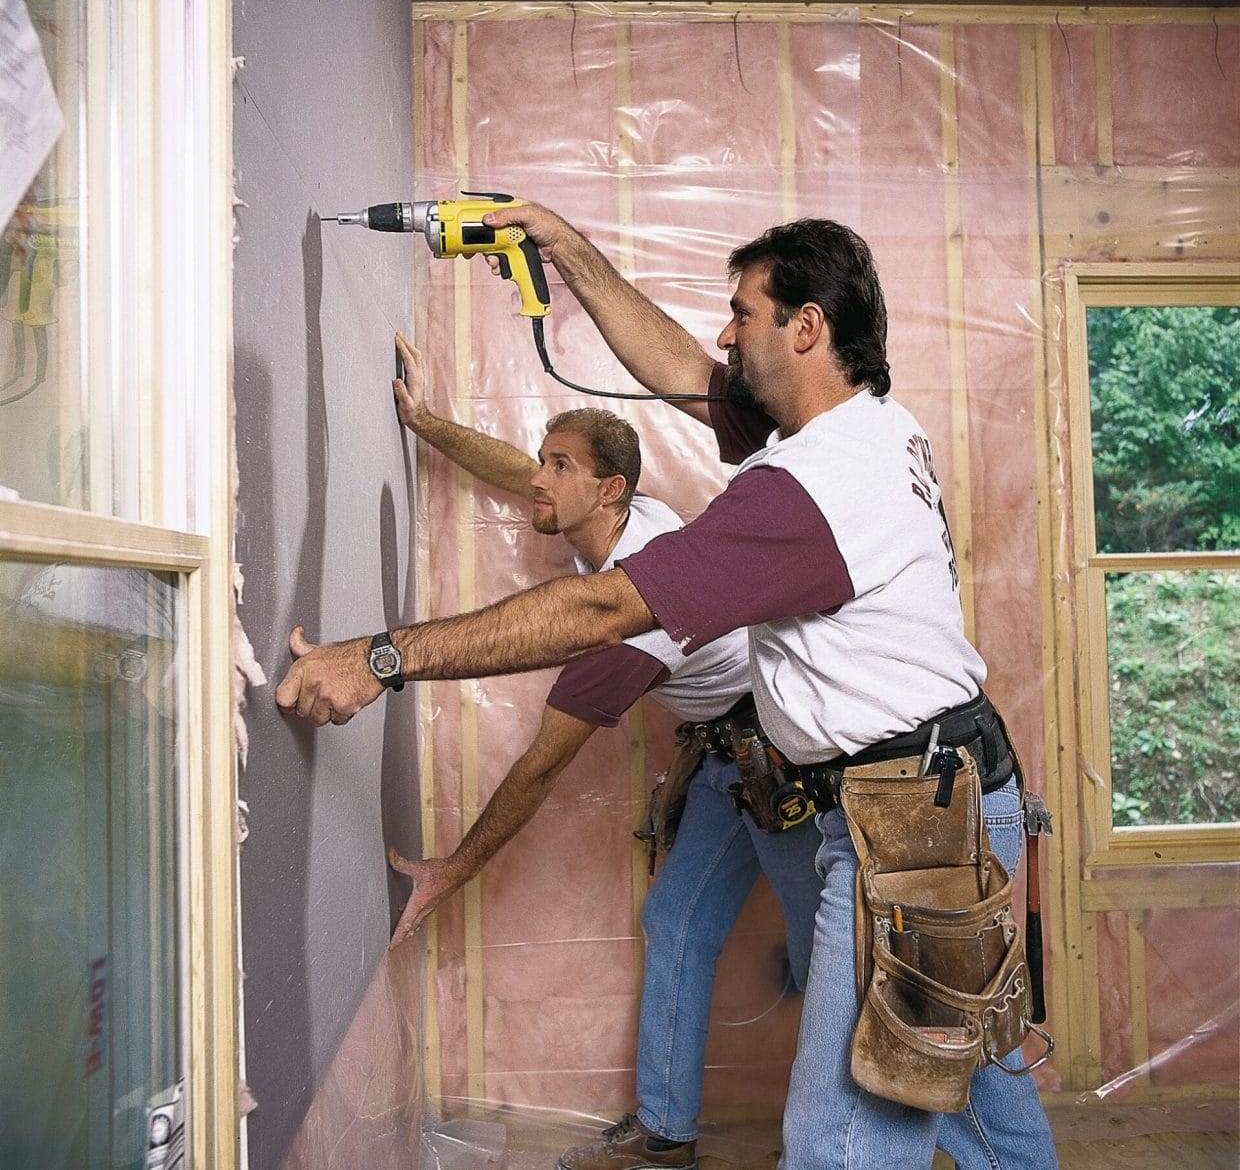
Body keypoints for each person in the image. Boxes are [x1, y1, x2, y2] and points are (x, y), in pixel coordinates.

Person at [276, 207, 1058, 1168]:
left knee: (840, 1145)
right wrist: (563, 247)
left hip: (910, 831)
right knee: (979, 1094)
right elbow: (682, 370)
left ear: (806, 327)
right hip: (932, 799)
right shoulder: (860, 424)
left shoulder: (813, 486)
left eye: (744, 314)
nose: (725, 336)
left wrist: (379, 658)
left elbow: (604, 611)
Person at [386, 331, 824, 1169]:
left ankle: (892, 1134)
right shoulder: (619, 516)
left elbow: (539, 769)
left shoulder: (633, 620)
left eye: (559, 467)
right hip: (729, 759)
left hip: (783, 763)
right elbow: (511, 468)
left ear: (608, 491)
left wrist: (451, 869)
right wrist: (425, 421)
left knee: (832, 962)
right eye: (545, 462)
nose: (538, 480)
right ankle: (665, 1137)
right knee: (677, 921)